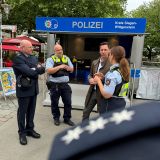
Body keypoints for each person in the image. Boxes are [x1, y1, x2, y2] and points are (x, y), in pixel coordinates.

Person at [48, 101, 160, 160]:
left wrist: (98, 81)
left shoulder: (113, 71)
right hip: (97, 94)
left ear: (110, 55)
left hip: (108, 99)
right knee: (87, 111)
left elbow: (107, 93)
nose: (102, 55)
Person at [12, 40, 45, 145]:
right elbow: (30, 72)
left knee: (31, 112)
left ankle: (30, 129)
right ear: (22, 48)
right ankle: (22, 133)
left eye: (32, 47)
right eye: (30, 47)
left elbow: (41, 69)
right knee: (22, 113)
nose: (32, 49)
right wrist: (34, 70)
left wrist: (33, 70)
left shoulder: (33, 57)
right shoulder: (18, 58)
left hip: (33, 89)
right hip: (24, 90)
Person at [94, 45, 130, 113]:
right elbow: (118, 86)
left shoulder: (113, 73)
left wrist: (98, 81)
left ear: (112, 55)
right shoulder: (122, 70)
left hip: (110, 107)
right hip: (120, 105)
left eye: (109, 54)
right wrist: (104, 78)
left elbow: (107, 94)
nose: (108, 56)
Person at [45, 43, 75, 126]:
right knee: (54, 103)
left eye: (61, 49)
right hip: (55, 85)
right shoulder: (50, 59)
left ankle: (67, 118)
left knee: (68, 102)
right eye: (58, 50)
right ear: (54, 51)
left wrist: (67, 68)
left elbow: (72, 69)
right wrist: (60, 66)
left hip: (65, 85)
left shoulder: (66, 58)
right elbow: (49, 71)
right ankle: (56, 118)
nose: (60, 51)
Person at [82, 42, 110, 122]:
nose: (103, 51)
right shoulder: (95, 62)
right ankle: (84, 127)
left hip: (103, 92)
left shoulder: (111, 64)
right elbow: (90, 75)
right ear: (99, 51)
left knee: (103, 114)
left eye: (105, 49)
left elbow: (112, 80)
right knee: (86, 111)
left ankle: (103, 131)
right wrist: (90, 79)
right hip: (93, 91)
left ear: (109, 51)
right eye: (101, 50)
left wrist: (101, 79)